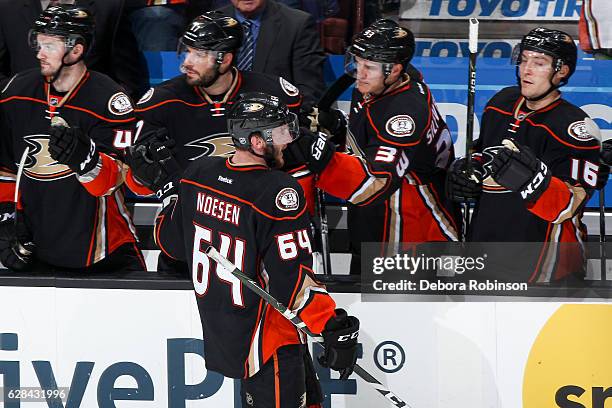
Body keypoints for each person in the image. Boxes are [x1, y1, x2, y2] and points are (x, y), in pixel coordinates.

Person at [152, 92, 359, 407]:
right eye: (279, 133)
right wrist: (329, 324)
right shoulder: (277, 191)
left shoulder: (198, 175)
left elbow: (171, 243)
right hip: (270, 339)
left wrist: (168, 195)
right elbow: (293, 281)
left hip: (232, 332)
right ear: (257, 141)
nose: (287, 141)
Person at [124, 11, 317, 274]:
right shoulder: (161, 103)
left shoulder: (273, 98)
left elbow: (293, 164)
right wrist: (148, 176)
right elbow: (138, 180)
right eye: (187, 51)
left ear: (224, 59)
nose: (186, 63)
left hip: (254, 241)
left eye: (199, 54)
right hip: (188, 241)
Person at [285, 20, 460, 274]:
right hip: (378, 211)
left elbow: (376, 183)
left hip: (412, 218)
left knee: (392, 302)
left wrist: (316, 151)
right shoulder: (380, 83)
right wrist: (337, 127)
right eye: (357, 62)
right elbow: (370, 142)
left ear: (395, 70)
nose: (359, 72)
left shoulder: (404, 113)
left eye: (369, 67)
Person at [446, 27, 602, 282]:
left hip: (546, 261)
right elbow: (484, 150)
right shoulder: (501, 103)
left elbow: (570, 205)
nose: (526, 69)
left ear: (561, 72)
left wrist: (532, 180)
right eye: (524, 59)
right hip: (486, 247)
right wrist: (469, 168)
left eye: (539, 63)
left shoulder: (575, 128)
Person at [0, 5, 144, 272]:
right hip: (37, 245)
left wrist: (87, 161)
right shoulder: (15, 92)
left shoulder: (110, 100)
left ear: (76, 50)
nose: (39, 53)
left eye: (49, 46)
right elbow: (6, 170)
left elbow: (119, 180)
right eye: (38, 43)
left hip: (104, 252)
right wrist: (6, 220)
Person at [0, 0, 149, 100]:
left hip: (87, 122)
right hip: (23, 121)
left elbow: (128, 79)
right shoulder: (6, 7)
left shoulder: (110, 7)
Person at [217, 0, 326, 107]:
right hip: (219, 114)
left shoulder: (297, 24)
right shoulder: (214, 23)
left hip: (276, 117)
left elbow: (309, 90)